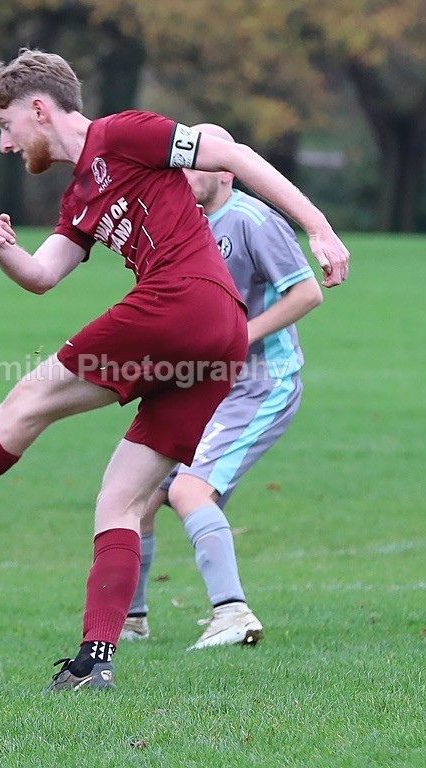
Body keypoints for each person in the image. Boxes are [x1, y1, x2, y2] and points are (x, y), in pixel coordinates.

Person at [0, 49, 349, 693]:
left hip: (180, 303)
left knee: (28, 402)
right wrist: (3, 250)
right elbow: (42, 276)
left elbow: (234, 154)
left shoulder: (123, 133)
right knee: (122, 499)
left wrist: (318, 228)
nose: (5, 144)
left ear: (38, 109)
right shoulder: (79, 195)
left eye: (6, 126)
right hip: (219, 339)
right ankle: (93, 662)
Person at [121, 124, 324, 650]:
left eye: (197, 162)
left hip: (260, 384)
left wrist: (236, 339)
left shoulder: (254, 221)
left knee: (188, 491)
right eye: (181, 162)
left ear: (227, 170)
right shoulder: (178, 223)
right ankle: (133, 620)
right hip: (201, 385)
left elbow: (307, 294)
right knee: (137, 496)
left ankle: (233, 614)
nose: (184, 171)